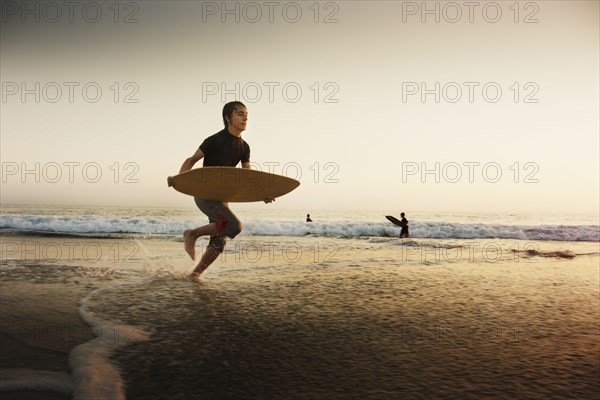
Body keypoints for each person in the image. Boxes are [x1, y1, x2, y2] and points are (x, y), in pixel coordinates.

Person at [167, 101, 274, 282]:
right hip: (205, 193)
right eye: (240, 113)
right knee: (234, 226)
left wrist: (261, 193)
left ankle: (195, 274)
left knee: (219, 241)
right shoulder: (214, 140)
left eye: (246, 114)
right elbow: (191, 160)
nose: (245, 117)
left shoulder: (244, 147)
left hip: (222, 198)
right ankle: (192, 234)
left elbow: (248, 176)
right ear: (227, 118)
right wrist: (181, 180)